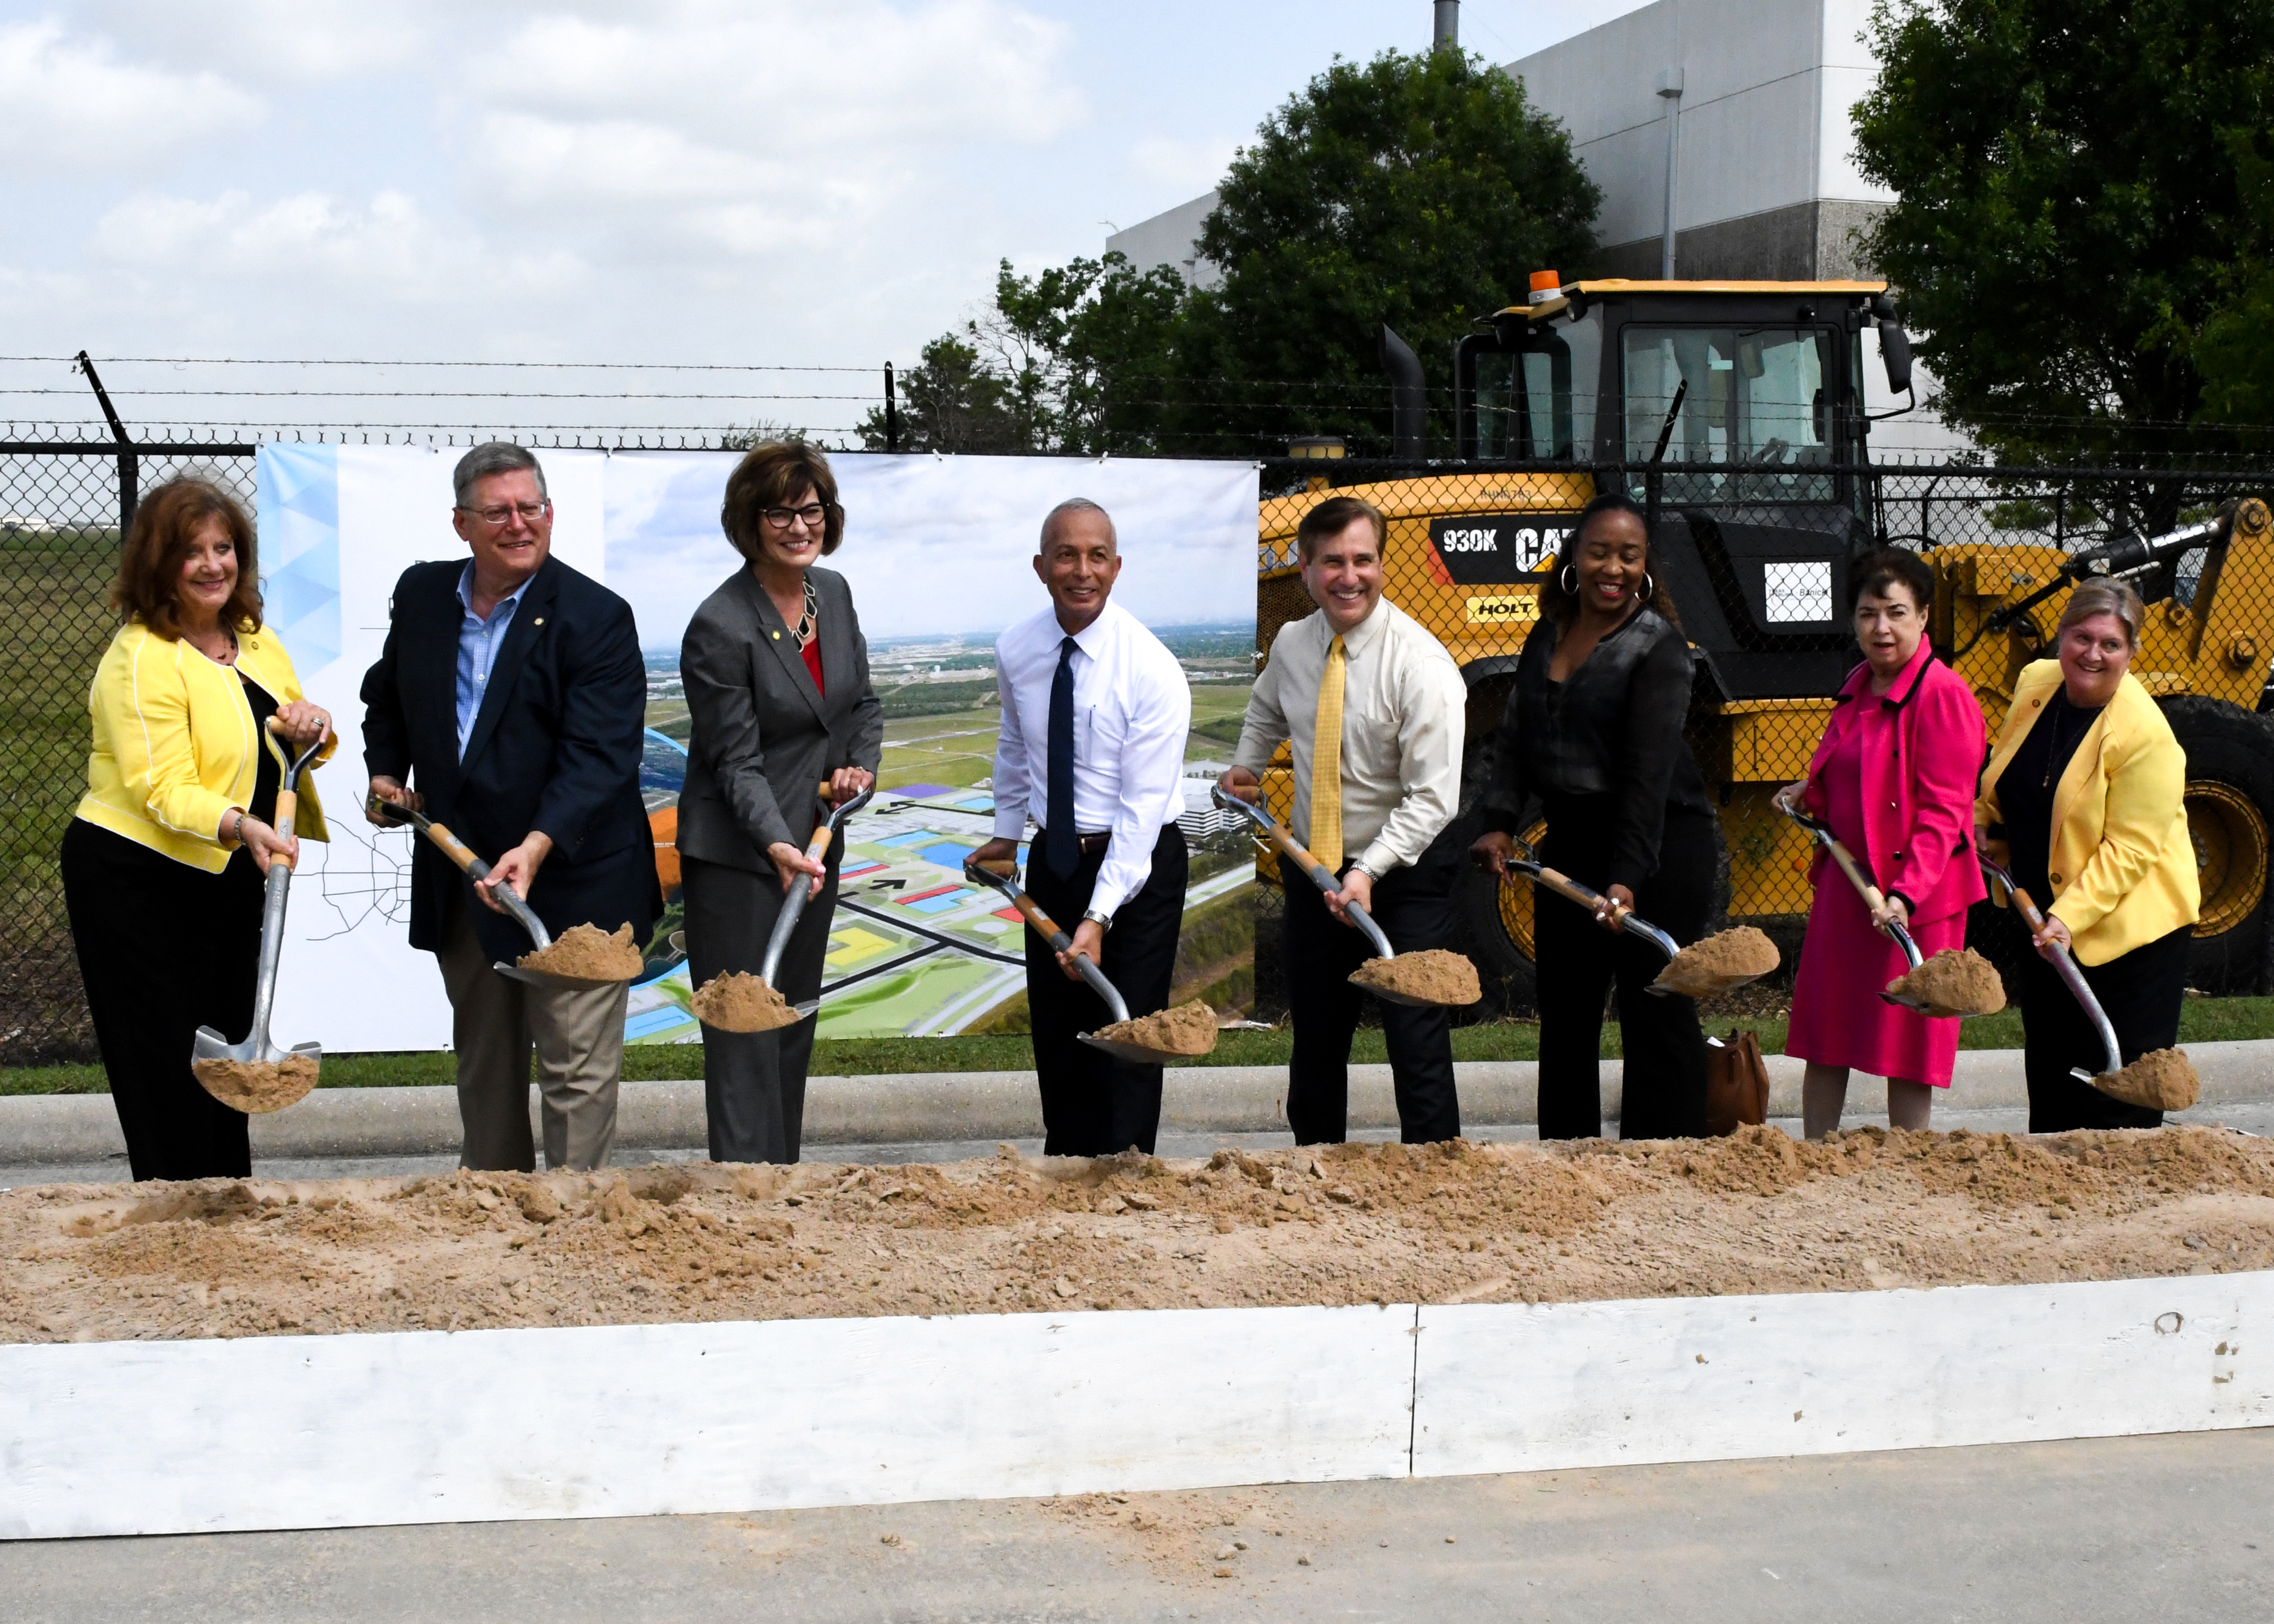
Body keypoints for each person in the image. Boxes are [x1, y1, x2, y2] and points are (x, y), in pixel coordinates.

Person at [361, 442, 659, 1173]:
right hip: (465, 877)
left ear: (551, 514)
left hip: (576, 880)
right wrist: (384, 772)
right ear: (462, 523)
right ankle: (494, 1220)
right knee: (486, 1068)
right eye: (497, 511)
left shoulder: (595, 617)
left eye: (531, 508)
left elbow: (599, 757)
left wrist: (536, 844)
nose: (518, 524)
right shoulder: (425, 596)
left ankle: (572, 1218)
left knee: (574, 1072)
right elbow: (389, 695)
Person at [62, 476, 334, 1181]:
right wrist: (241, 824)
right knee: (164, 1054)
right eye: (193, 552)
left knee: (223, 1053)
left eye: (225, 548)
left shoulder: (253, 639)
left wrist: (311, 727)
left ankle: (225, 1197)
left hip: (228, 871)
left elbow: (281, 726)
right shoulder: (142, 655)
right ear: (161, 564)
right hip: (140, 878)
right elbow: (160, 786)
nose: (214, 565)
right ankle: (174, 1206)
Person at [1470, 491, 1713, 1140]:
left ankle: (1667, 1159)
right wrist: (1498, 821)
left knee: (1653, 1008)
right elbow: (1518, 738)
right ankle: (1568, 1163)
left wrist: (1627, 876)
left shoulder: (1659, 648)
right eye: (1600, 552)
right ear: (1574, 557)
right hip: (1571, 842)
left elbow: (1647, 775)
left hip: (1658, 846)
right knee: (1568, 1013)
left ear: (1646, 566)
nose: (1614, 568)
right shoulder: (1547, 630)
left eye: (1629, 556)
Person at [1224, 494, 1466, 1145]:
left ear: (1383, 566)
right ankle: (1314, 1167)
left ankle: (1438, 1171)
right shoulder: (1294, 643)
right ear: (1304, 568)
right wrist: (1247, 767)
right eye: (1332, 561)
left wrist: (1367, 872)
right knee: (1318, 1036)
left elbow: (1433, 800)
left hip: (1404, 872)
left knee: (1414, 1032)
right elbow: (1265, 712)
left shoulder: (1422, 666)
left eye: (1363, 560)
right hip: (1314, 867)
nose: (1348, 576)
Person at [679, 442, 882, 1164]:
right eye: (780, 512)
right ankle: (741, 1198)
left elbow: (860, 704)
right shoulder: (720, 624)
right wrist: (776, 844)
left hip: (816, 844)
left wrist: (859, 767)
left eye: (812, 509)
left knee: (792, 1021)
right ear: (748, 521)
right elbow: (735, 762)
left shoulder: (834, 591)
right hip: (742, 858)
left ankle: (780, 1186)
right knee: (743, 1033)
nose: (800, 525)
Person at [970, 499, 1192, 1157]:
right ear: (1041, 566)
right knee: (1060, 1032)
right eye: (1066, 555)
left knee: (1128, 1033)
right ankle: (1067, 1170)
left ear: (1117, 567)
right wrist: (1008, 835)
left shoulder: (1153, 670)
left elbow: (1140, 813)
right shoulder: (1017, 647)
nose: (1082, 570)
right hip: (1056, 860)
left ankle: (1126, 1174)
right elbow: (1017, 743)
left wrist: (1098, 918)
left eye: (1097, 556)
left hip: (1139, 865)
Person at [1776, 546, 1986, 1137]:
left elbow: (1946, 812)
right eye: (1869, 614)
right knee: (1828, 1031)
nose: (1882, 628)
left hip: (1915, 895)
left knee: (1908, 1043)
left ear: (1923, 618)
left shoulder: (1944, 695)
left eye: (1896, 612)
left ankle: (1909, 1162)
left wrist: (1905, 897)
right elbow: (1853, 775)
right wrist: (1806, 795)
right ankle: (1814, 1153)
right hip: (1851, 885)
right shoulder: (1859, 683)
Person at [1978, 578, 2199, 1132]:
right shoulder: (2036, 685)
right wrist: (1988, 827)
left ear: (2132, 652)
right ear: (2060, 635)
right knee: (2052, 1077)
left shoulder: (2145, 734)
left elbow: (2131, 849)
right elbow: (2005, 777)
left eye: (2111, 645)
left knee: (2116, 1104)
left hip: (2128, 930)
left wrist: (2068, 917)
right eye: (2082, 638)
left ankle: (2126, 1207)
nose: (2093, 655)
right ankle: (2057, 1206)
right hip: (2044, 917)